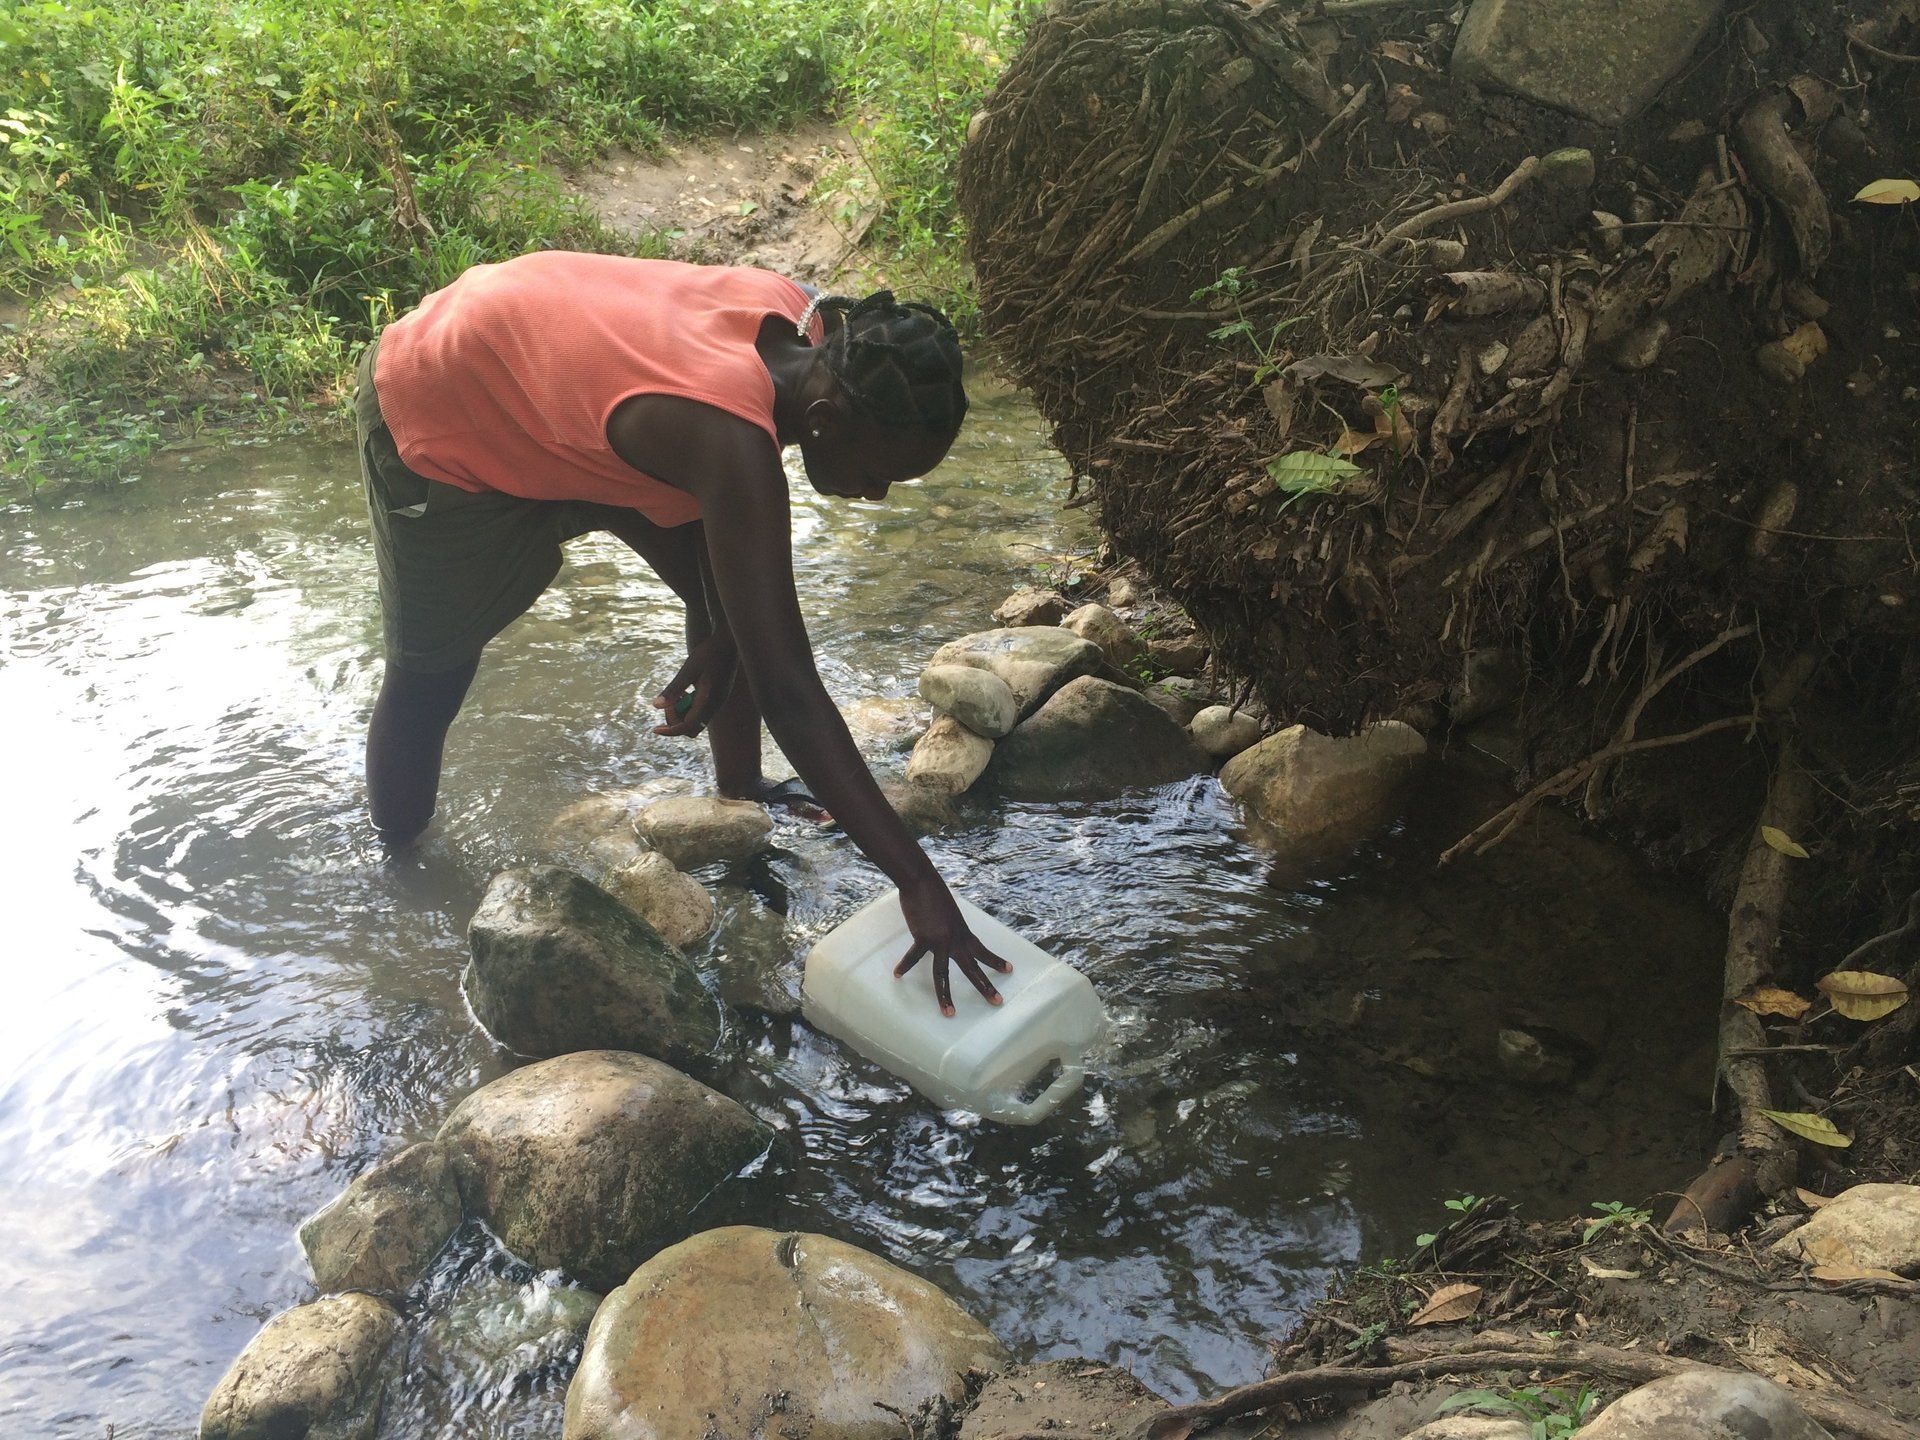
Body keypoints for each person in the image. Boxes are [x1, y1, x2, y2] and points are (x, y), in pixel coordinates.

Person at [355, 251, 1009, 1015]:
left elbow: (731, 569)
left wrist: (732, 648)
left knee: (734, 600)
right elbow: (792, 691)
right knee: (432, 675)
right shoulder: (726, 437)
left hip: (553, 371)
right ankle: (398, 871)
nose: (875, 493)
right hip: (448, 397)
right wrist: (917, 882)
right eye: (877, 472)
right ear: (825, 422)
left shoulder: (807, 326)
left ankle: (736, 786)